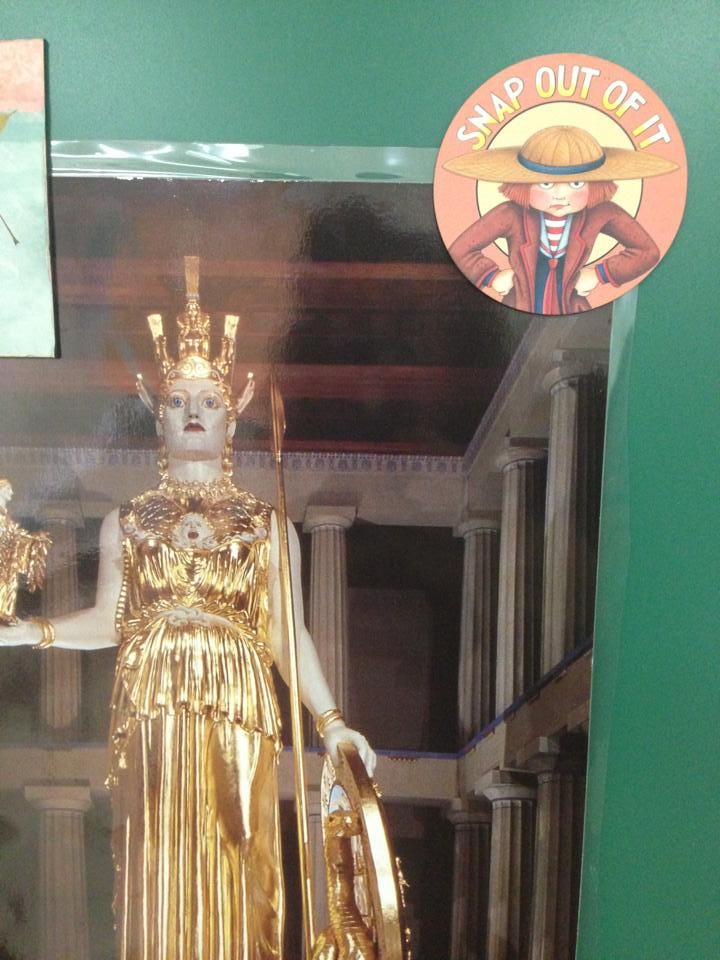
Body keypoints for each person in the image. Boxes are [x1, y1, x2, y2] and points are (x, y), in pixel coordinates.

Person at [0, 266, 375, 960]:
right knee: (157, 851)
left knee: (242, 849)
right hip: (153, 702)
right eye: (177, 399)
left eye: (208, 399)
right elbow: (112, 619)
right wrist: (37, 631)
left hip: (237, 700)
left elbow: (285, 632)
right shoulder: (127, 521)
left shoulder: (267, 524)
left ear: (231, 416)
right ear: (159, 416)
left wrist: (332, 723)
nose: (193, 410)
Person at [444, 124, 678, 314]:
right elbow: (460, 249)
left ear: (596, 185)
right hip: (519, 307)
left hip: (573, 310)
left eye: (576, 184)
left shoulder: (603, 212)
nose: (560, 195)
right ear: (522, 184)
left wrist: (601, 274)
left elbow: (648, 251)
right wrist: (491, 276)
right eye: (546, 183)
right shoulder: (509, 214)